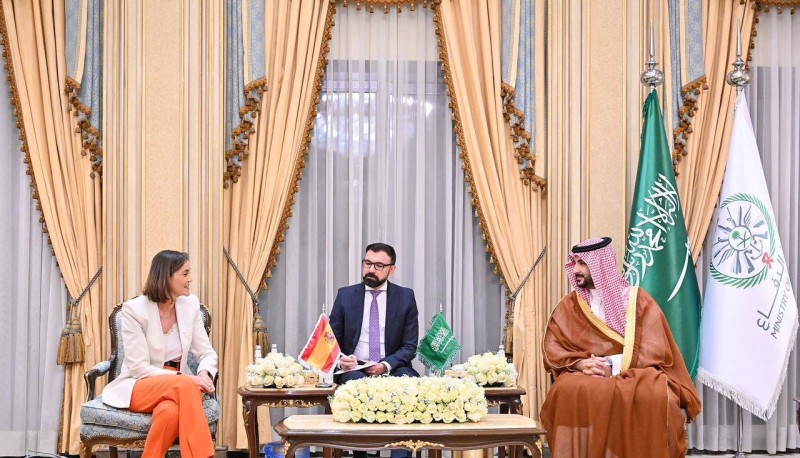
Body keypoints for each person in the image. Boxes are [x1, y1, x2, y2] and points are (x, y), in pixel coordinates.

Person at [540, 237, 701, 458]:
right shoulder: (570, 305)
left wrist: (610, 364)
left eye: (582, 263)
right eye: (574, 263)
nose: (575, 269)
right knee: (566, 389)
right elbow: (554, 348)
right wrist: (580, 364)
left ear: (601, 265)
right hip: (586, 373)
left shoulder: (637, 301)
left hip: (634, 370)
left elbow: (655, 349)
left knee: (654, 394)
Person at [102, 250, 217, 458]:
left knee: (169, 412)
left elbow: (206, 353)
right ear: (166, 277)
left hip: (177, 390)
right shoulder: (134, 310)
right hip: (140, 385)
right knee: (186, 385)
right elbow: (138, 368)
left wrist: (204, 373)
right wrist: (185, 379)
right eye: (185, 273)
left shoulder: (190, 305)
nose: (190, 279)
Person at [329, 242, 420, 384]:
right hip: (354, 368)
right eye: (367, 263)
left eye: (379, 265)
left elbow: (409, 346)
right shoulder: (345, 296)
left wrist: (385, 365)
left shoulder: (405, 297)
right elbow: (331, 341)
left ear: (391, 270)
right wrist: (342, 361)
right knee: (356, 383)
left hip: (392, 366)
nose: (371, 270)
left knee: (407, 382)